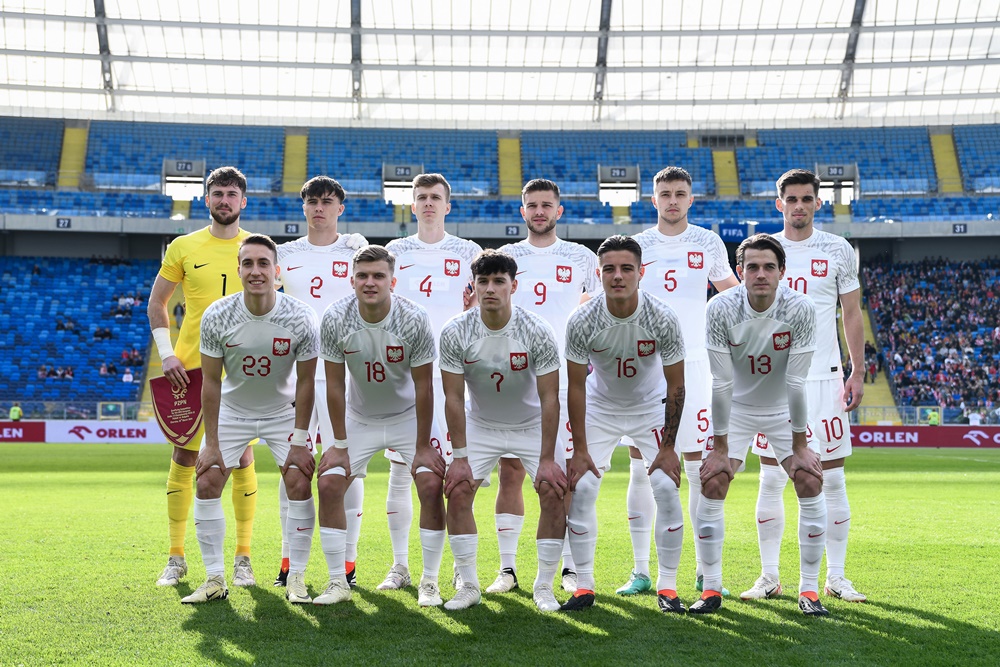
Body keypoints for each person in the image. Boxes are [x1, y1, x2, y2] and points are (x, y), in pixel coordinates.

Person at [747, 169, 866, 604]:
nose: (799, 205)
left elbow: (850, 314)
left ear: (819, 202)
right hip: (773, 383)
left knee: (832, 481)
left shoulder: (837, 249)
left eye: (807, 198)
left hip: (823, 380)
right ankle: (769, 576)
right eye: (791, 199)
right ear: (779, 203)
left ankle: (835, 576)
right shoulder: (764, 251)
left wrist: (856, 370)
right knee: (771, 478)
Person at [181, 234, 320, 604]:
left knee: (299, 482)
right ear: (239, 270)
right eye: (248, 264)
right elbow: (210, 381)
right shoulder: (217, 315)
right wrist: (210, 443)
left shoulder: (301, 315)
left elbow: (307, 382)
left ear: (277, 272)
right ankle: (213, 580)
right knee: (207, 482)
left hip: (282, 414)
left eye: (263, 264)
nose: (255, 271)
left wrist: (301, 440)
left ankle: (297, 579)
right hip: (233, 412)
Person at [696, 233, 827, 616]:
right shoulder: (720, 308)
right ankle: (712, 589)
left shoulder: (800, 308)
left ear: (782, 272)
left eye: (769, 266)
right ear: (740, 271)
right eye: (752, 267)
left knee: (809, 478)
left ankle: (810, 590)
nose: (760, 274)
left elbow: (796, 382)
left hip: (782, 406)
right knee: (713, 480)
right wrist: (720, 449)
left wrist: (801, 445)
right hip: (735, 406)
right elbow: (721, 382)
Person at [626, 166, 739, 597]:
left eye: (680, 193)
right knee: (641, 468)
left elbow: (730, 294)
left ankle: (703, 571)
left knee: (696, 468)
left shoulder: (708, 241)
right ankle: (640, 571)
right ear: (652, 200)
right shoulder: (638, 244)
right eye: (664, 194)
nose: (672, 200)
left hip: (695, 365)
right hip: (644, 366)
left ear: (691, 199)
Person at [314, 244, 447, 606]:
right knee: (328, 484)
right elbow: (335, 385)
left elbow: (424, 385)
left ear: (393, 280)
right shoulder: (335, 317)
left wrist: (422, 446)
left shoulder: (414, 317)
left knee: (432, 484)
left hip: (408, 416)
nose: (370, 282)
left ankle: (429, 581)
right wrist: (338, 444)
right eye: (362, 276)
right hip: (359, 418)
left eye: (378, 276)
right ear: (351, 279)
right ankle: (336, 582)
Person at [561, 235, 687, 613]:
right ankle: (583, 586)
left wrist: (667, 448)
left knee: (665, 487)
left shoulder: (662, 315)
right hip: (600, 407)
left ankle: (667, 588)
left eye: (626, 268)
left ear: (640, 272)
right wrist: (580, 450)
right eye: (609, 269)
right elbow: (576, 386)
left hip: (649, 406)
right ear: (598, 274)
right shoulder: (582, 319)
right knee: (581, 489)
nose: (618, 276)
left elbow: (677, 384)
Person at [147, 166, 259, 588]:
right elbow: (157, 303)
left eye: (232, 194)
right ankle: (176, 558)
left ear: (243, 201)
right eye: (218, 193)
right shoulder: (183, 246)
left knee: (243, 457)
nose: (225, 200)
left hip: (244, 373)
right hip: (191, 370)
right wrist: (167, 354)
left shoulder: (258, 247)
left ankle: (243, 557)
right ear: (206, 199)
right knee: (184, 457)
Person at [438, 249, 566, 611]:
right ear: (474, 286)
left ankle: (543, 587)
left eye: (498, 281)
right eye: (483, 282)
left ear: (514, 285)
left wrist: (546, 458)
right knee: (458, 491)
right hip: (481, 425)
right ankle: (469, 584)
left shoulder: (537, 330)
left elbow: (550, 397)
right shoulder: (455, 330)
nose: (490, 289)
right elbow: (452, 397)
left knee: (553, 491)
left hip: (530, 426)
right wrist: (460, 457)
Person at [490, 178, 601, 595]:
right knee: (511, 470)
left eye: (546, 205)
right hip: (513, 376)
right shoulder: (508, 257)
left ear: (560, 210)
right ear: (523, 212)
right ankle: (507, 569)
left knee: (566, 474)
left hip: (564, 377)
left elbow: (599, 304)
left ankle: (570, 567)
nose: (539, 211)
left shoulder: (581, 257)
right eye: (532, 205)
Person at [380, 173, 482, 591]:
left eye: (435, 197)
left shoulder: (468, 251)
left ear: (447, 205)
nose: (427, 203)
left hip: (455, 374)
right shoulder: (394, 251)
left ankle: (460, 566)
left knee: (460, 473)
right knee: (402, 469)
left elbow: (478, 307)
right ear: (412, 204)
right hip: (405, 374)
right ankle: (401, 566)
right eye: (420, 197)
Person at [274, 176, 366, 588]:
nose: (319, 208)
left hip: (344, 374)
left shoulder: (356, 252)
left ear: (340, 209)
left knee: (346, 468)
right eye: (312, 201)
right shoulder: (284, 253)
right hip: (294, 376)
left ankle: (347, 561)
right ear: (304, 207)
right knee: (291, 467)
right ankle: (289, 560)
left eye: (327, 202)